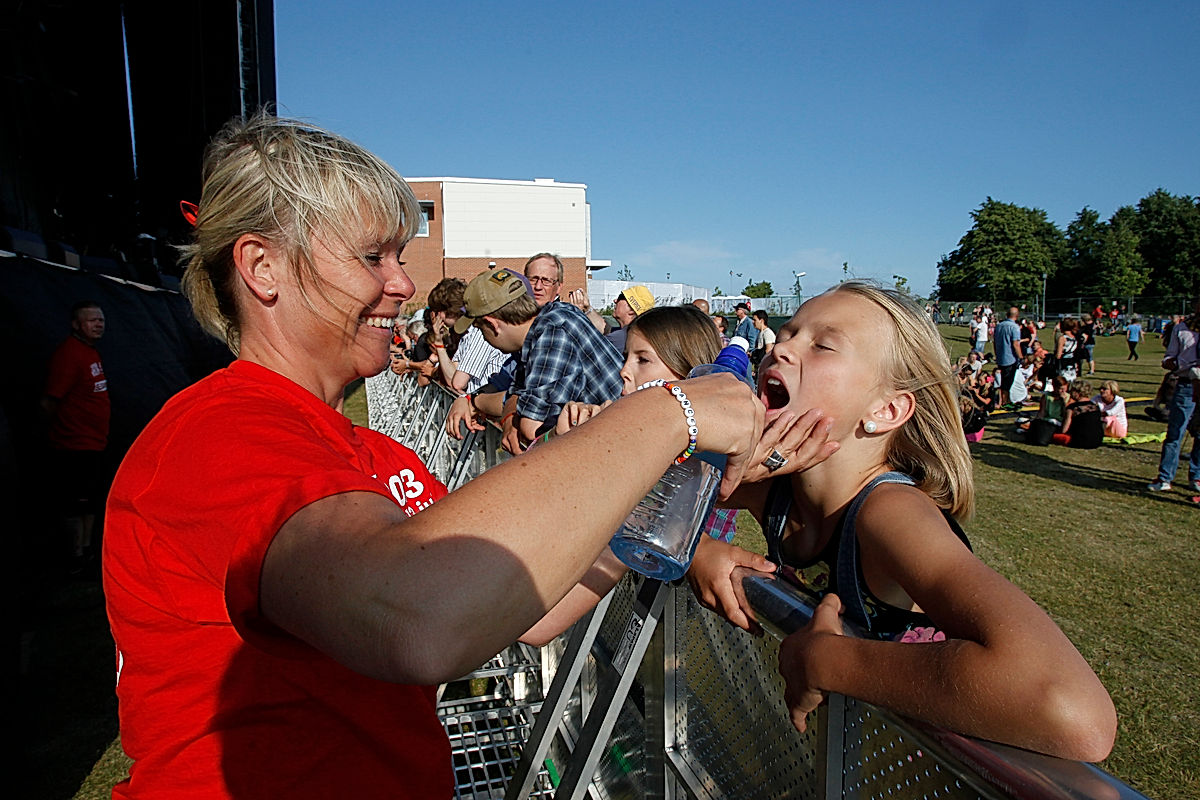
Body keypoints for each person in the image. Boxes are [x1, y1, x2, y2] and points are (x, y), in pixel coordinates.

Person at [101, 114, 766, 799]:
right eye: (372, 257)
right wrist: (667, 413)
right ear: (262, 267)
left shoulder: (369, 453)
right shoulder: (219, 435)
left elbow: (518, 607)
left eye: (398, 256)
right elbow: (420, 619)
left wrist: (650, 532)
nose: (402, 285)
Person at [687, 280, 1116, 761]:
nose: (780, 349)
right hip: (833, 761)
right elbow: (623, 479)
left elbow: (1074, 713)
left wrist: (828, 660)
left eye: (822, 344)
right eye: (786, 334)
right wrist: (694, 550)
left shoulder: (889, 511)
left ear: (885, 410)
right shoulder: (775, 486)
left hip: (910, 767)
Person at [526, 305, 838, 645]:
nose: (623, 372)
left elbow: (537, 619)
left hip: (663, 625)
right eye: (626, 357)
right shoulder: (619, 428)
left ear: (694, 380)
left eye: (643, 360)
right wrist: (573, 440)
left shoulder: (722, 469)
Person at [451, 267, 624, 452]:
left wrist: (488, 406)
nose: (484, 338)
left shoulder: (552, 333)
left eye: (480, 329)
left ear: (492, 325)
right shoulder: (554, 316)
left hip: (626, 450)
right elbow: (518, 393)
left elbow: (531, 428)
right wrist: (471, 400)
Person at [43, 300, 111, 572]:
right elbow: (49, 401)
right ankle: (75, 557)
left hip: (94, 443)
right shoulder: (69, 355)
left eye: (101, 320)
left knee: (90, 502)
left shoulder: (89, 352)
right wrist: (52, 433)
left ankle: (85, 553)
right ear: (76, 324)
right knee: (76, 504)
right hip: (74, 445)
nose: (99, 324)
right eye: (92, 320)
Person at [1147, 300, 1200, 493]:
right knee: (1175, 433)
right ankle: (1165, 478)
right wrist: (1175, 364)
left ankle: (1197, 477)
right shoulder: (1182, 328)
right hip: (1185, 384)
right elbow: (1168, 357)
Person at [1050, 380, 1104, 449]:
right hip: (1097, 441)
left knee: (1053, 436)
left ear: (1077, 392)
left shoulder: (1072, 408)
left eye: (1071, 391)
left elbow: (1064, 430)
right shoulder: (1096, 406)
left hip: (1079, 441)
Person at [993, 307, 1022, 406]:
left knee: (1003, 380)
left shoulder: (999, 326)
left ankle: (1004, 399)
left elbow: (995, 342)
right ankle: (1005, 401)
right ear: (1017, 315)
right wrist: (1021, 357)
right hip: (1010, 358)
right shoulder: (1014, 327)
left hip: (1000, 356)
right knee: (1008, 382)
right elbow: (1015, 344)